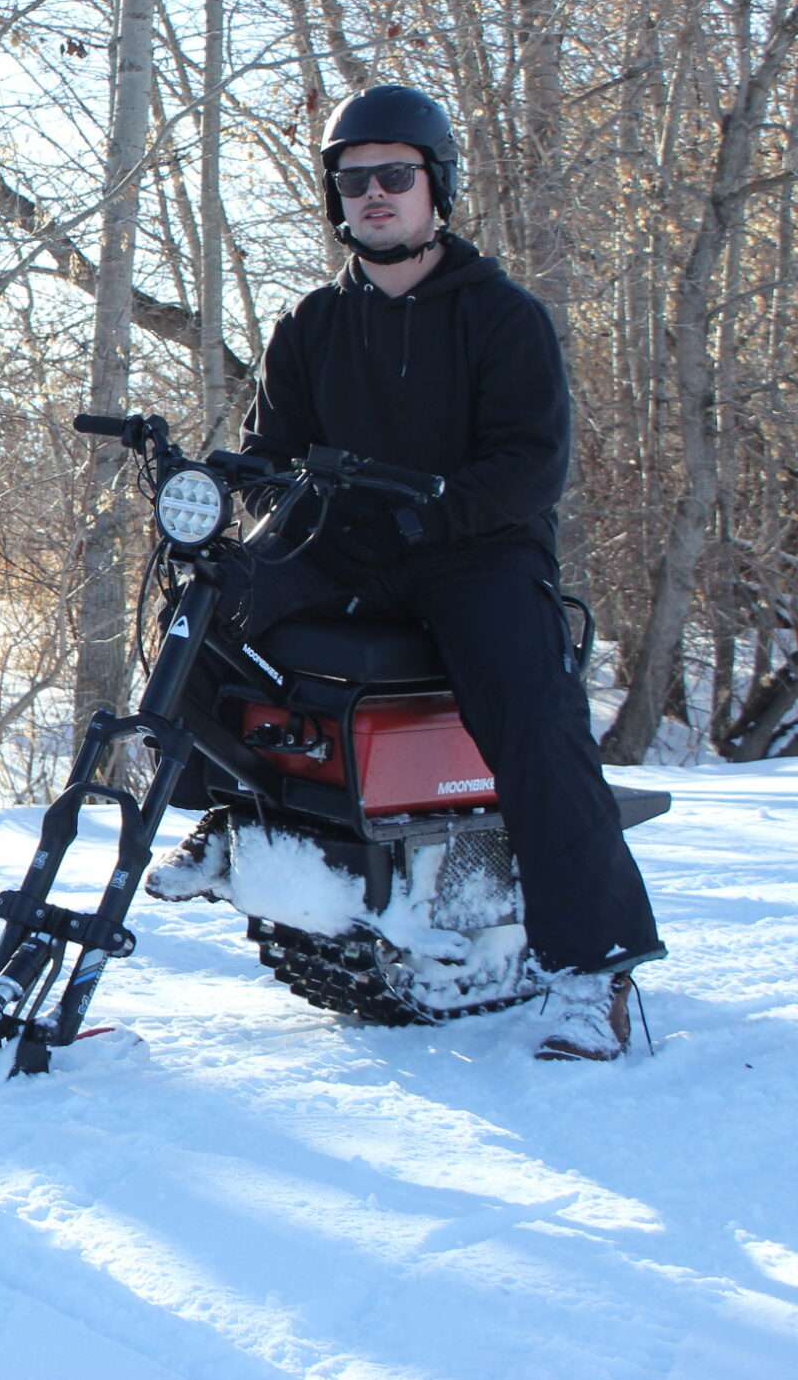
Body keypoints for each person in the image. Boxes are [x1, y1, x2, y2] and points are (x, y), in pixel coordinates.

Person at [148, 84, 663, 1061]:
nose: (374, 194)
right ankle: (222, 817)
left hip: (474, 552)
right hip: (340, 548)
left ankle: (591, 974)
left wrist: (429, 510)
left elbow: (529, 466)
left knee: (526, 702)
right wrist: (220, 487)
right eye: (354, 179)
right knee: (207, 605)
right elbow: (273, 455)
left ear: (436, 186)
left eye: (394, 175)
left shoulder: (500, 318)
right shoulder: (312, 324)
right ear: (335, 196)